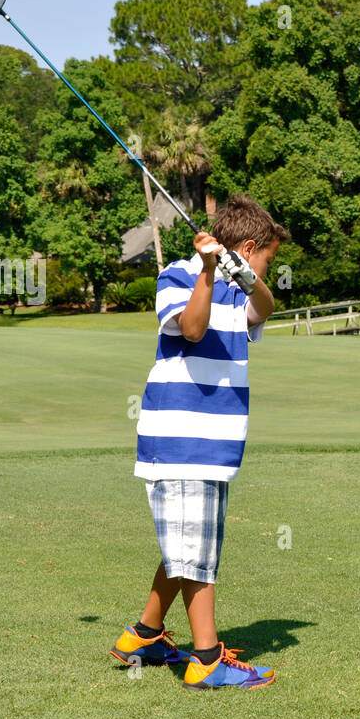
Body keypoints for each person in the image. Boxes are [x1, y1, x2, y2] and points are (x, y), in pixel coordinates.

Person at [110, 193, 290, 689]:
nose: (266, 268)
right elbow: (190, 330)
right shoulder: (177, 278)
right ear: (250, 244)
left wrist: (246, 275)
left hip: (212, 445)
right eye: (266, 258)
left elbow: (267, 308)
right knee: (197, 551)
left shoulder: (242, 288)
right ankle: (207, 661)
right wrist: (208, 271)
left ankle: (143, 636)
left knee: (188, 544)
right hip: (183, 439)